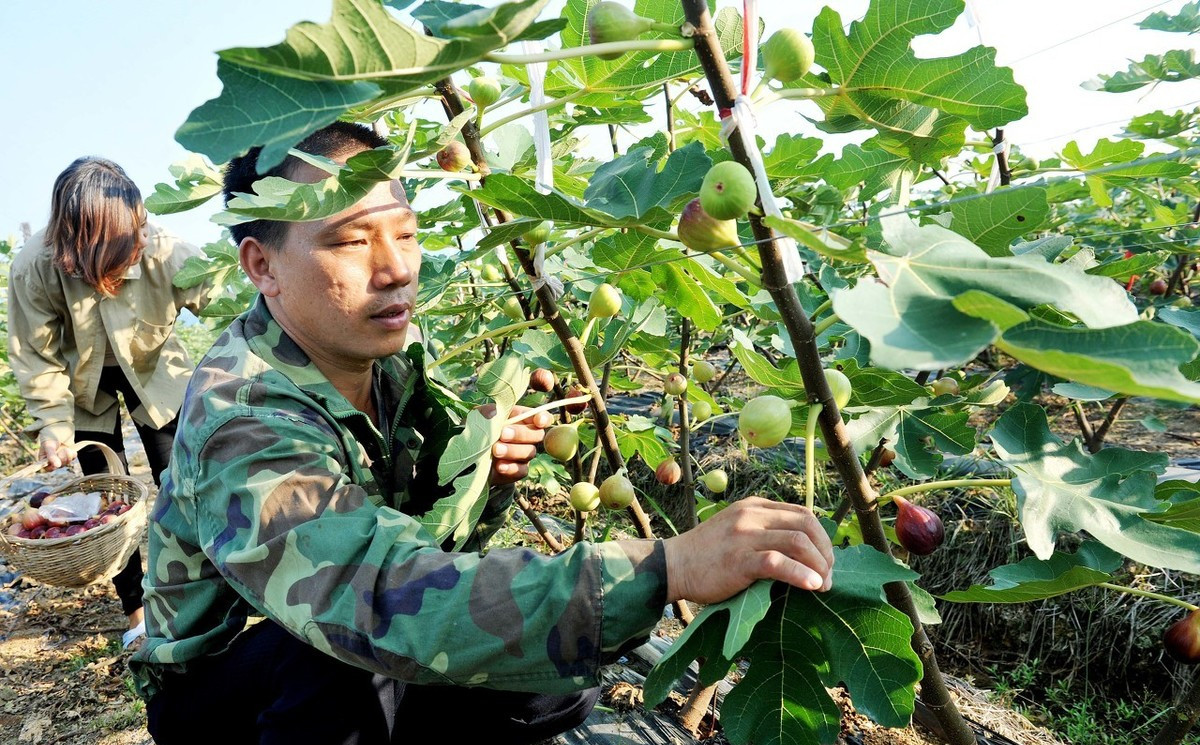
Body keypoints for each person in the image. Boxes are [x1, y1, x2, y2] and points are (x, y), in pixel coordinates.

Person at [131, 122, 835, 745]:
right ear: (262, 266)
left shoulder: (383, 359)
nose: (397, 268)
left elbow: (416, 542)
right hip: (222, 690)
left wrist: (487, 486)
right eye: (352, 240)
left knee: (553, 676)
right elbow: (371, 593)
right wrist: (665, 568)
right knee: (341, 662)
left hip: (345, 633)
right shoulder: (242, 413)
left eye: (405, 234)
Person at [7, 157, 210, 648]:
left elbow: (226, 298)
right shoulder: (36, 264)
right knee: (103, 502)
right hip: (81, 385)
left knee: (182, 480)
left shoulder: (166, 251)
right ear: (72, 243)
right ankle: (137, 611)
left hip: (156, 370)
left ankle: (203, 592)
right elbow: (36, 354)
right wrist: (53, 425)